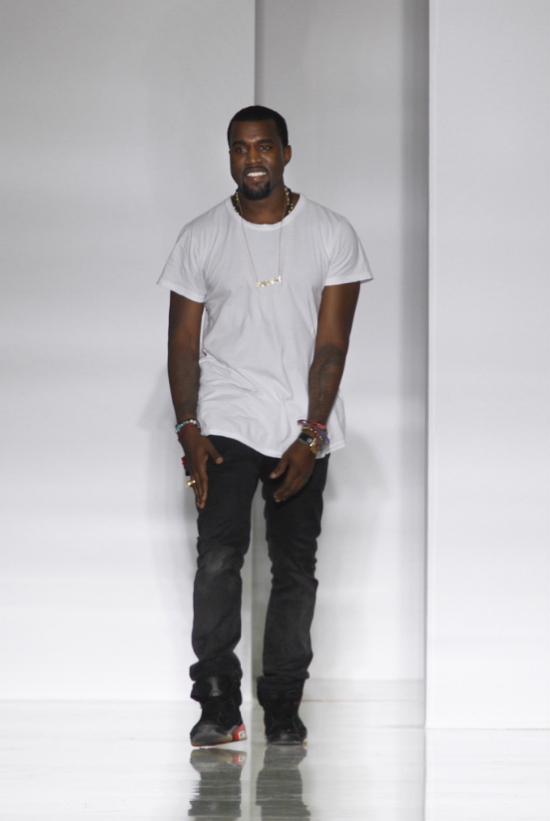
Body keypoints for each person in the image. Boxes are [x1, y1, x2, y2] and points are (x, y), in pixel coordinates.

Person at [158, 105, 372, 747]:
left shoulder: (331, 232)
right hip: (225, 415)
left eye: (264, 146)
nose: (252, 159)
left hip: (299, 423)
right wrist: (188, 427)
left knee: (295, 566)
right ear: (230, 155)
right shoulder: (200, 236)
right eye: (240, 148)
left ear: (285, 152)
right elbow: (182, 343)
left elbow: (331, 345)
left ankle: (281, 702)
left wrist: (311, 433)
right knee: (218, 556)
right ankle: (217, 702)